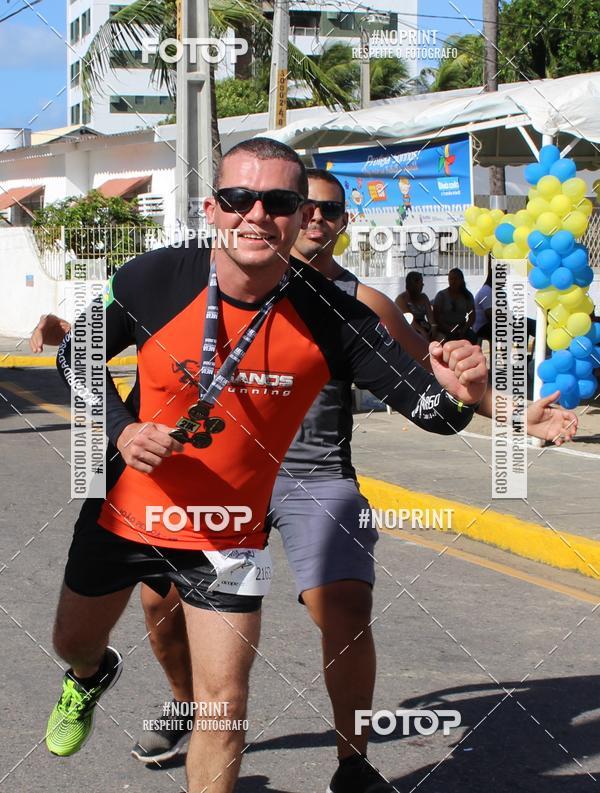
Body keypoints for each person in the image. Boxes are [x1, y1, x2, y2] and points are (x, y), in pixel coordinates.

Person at [32, 168, 578, 793]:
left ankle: (350, 763)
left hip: (247, 515)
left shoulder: (341, 313)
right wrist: (124, 431)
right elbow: (77, 355)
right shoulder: (157, 276)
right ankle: (95, 673)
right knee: (80, 639)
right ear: (213, 208)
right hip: (135, 502)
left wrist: (486, 401)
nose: (260, 215)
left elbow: (433, 405)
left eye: (284, 204)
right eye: (241, 199)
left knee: (229, 704)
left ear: (303, 218)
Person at [433, 268, 476, 343]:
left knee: (472, 337)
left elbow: (472, 317)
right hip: (444, 329)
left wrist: (464, 330)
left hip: (461, 328)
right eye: (451, 279)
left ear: (461, 280)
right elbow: (436, 317)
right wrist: (449, 329)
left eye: (455, 279)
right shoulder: (441, 296)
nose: (453, 281)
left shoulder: (468, 296)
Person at [395, 272, 435, 341]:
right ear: (413, 284)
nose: (423, 285)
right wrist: (422, 332)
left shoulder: (424, 297)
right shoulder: (401, 299)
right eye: (420, 282)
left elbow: (430, 317)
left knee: (441, 337)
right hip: (409, 329)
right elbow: (410, 320)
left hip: (425, 327)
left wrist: (434, 328)